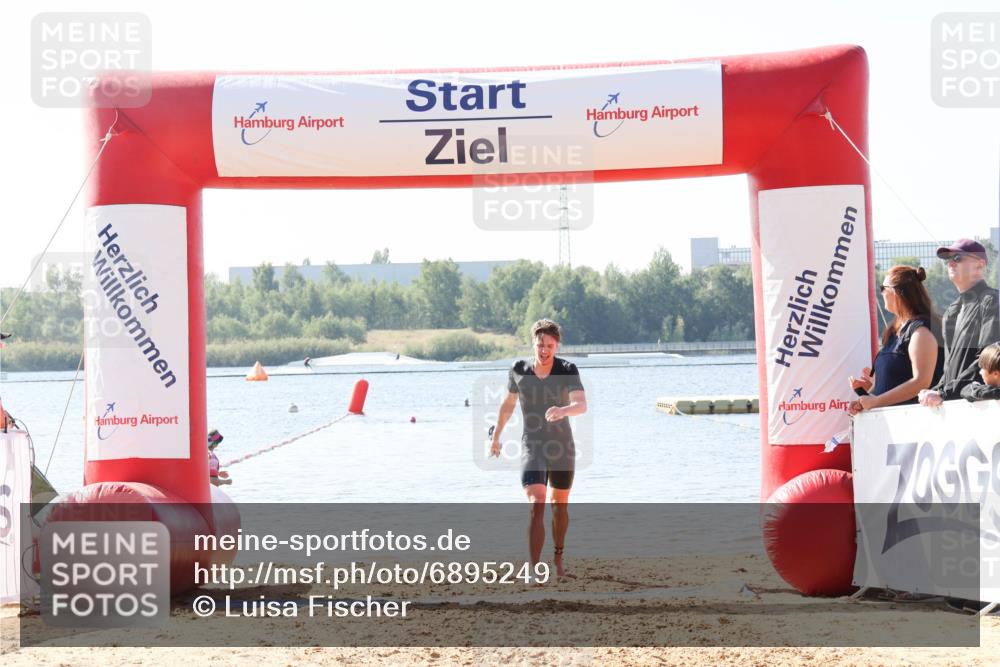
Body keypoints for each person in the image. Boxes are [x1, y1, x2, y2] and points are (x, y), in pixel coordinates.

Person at [490, 319, 588, 578]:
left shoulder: (567, 369)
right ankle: (533, 569)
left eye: (549, 345)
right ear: (533, 343)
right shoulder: (518, 369)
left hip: (561, 446)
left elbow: (581, 404)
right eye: (540, 344)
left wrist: (562, 410)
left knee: (560, 505)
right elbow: (508, 405)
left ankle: (557, 560)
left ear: (556, 346)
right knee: (537, 501)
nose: (544, 350)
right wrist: (496, 436)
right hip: (532, 445)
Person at [847, 265, 943, 415]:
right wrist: (867, 398)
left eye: (883, 288)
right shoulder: (895, 330)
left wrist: (876, 401)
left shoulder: (921, 331)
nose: (882, 293)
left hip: (915, 424)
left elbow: (921, 382)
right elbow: (891, 383)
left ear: (897, 292)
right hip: (890, 425)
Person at [919, 239, 1000, 406]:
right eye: (948, 259)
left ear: (980, 264)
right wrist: (937, 389)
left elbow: (987, 361)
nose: (950, 263)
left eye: (957, 258)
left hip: (983, 410)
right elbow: (950, 369)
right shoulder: (952, 311)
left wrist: (944, 392)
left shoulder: (991, 300)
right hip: (955, 408)